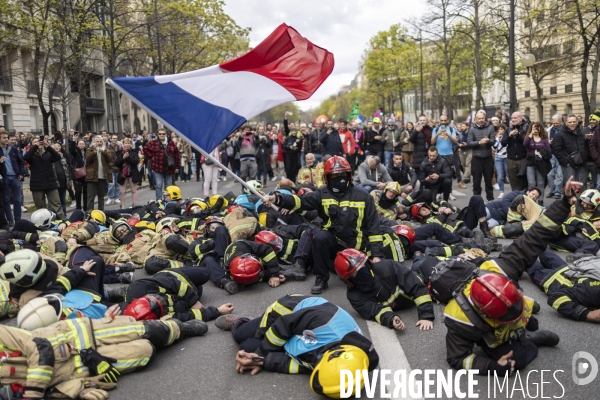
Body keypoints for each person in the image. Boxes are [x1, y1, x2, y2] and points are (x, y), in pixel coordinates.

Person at [442, 177, 580, 376]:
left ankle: (526, 323)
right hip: (482, 329)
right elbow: (457, 358)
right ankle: (532, 339)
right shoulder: (459, 320)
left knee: (531, 321)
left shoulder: (499, 267)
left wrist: (564, 202)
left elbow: (537, 234)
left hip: (498, 300)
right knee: (517, 362)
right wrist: (492, 367)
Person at [263, 156, 384, 295]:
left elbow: (374, 228)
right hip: (333, 243)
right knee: (319, 236)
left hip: (356, 248)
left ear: (349, 175)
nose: (339, 178)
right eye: (335, 175)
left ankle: (344, 267)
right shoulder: (322, 194)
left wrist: (376, 255)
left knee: (367, 283)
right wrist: (277, 198)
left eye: (342, 174)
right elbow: (300, 202)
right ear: (327, 177)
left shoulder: (364, 196)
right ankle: (321, 278)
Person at [216, 295, 379, 398]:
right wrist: (261, 352)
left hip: (304, 335)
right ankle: (240, 322)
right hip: (288, 313)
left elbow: (300, 366)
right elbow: (284, 325)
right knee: (242, 336)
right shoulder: (324, 321)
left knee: (246, 347)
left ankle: (254, 330)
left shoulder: (335, 363)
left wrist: (261, 360)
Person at [334, 248, 434, 331]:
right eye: (355, 272)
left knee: (425, 269)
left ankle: (419, 256)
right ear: (349, 280)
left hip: (420, 280)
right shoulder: (354, 296)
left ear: (368, 263)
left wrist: (426, 316)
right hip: (403, 302)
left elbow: (415, 285)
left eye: (362, 265)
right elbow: (374, 311)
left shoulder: (387, 267)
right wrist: (391, 319)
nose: (362, 271)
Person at [23, 135, 66, 220]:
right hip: (37, 184)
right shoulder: (31, 155)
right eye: (35, 142)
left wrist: (48, 146)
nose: (38, 143)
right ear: (32, 145)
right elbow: (26, 158)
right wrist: (35, 146)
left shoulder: (47, 153)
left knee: (56, 204)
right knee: (41, 208)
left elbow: (57, 157)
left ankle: (62, 221)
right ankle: (44, 225)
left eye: (39, 141)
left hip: (51, 183)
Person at [143, 128, 181, 200]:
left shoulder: (171, 143)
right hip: (158, 167)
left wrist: (177, 167)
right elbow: (145, 148)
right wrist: (151, 156)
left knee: (168, 186)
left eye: (163, 134)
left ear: (166, 134)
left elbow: (176, 155)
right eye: (160, 134)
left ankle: (167, 201)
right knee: (159, 185)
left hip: (169, 168)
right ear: (158, 134)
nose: (161, 135)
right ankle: (159, 201)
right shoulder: (154, 143)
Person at [467, 111, 496, 201]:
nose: (481, 120)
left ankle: (490, 199)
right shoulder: (472, 129)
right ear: (476, 119)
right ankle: (477, 200)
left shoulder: (490, 127)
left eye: (482, 118)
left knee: (489, 181)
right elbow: (469, 143)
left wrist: (488, 141)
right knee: (476, 182)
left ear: (485, 118)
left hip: (488, 158)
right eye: (479, 118)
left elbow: (493, 141)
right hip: (476, 158)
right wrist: (479, 142)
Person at [552, 114, 586, 186]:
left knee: (579, 185)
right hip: (568, 164)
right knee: (570, 186)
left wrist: (583, 159)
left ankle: (576, 197)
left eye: (574, 121)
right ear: (566, 123)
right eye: (570, 122)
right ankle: (569, 197)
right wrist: (565, 162)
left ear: (577, 122)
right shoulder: (559, 134)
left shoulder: (580, 133)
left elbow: (583, 146)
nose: (572, 124)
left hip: (580, 163)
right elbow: (556, 150)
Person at [0, 131, 25, 227]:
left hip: (15, 176)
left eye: (7, 137)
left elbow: (21, 161)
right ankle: (10, 220)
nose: (6, 139)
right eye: (4, 138)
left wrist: (21, 173)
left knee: (17, 200)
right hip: (4, 177)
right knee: (6, 200)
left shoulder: (13, 149)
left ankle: (18, 219)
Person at [523, 122, 552, 204]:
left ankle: (540, 200)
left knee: (540, 183)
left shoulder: (544, 140)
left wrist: (541, 153)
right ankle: (531, 200)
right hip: (530, 163)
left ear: (540, 129)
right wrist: (531, 134)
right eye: (534, 127)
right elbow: (524, 144)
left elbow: (549, 151)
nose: (536, 129)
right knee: (531, 183)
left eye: (537, 128)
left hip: (541, 163)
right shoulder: (529, 138)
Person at [85, 135, 114, 211]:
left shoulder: (106, 151)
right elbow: (88, 160)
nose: (99, 143)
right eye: (97, 141)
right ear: (94, 142)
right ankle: (89, 215)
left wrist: (104, 151)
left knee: (101, 197)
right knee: (90, 197)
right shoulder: (89, 150)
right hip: (92, 177)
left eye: (101, 141)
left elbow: (110, 160)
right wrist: (94, 151)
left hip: (102, 177)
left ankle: (101, 213)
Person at [502, 112, 529, 190]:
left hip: (523, 158)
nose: (513, 120)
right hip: (511, 159)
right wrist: (509, 136)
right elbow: (503, 143)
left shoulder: (526, 128)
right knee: (514, 183)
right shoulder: (508, 129)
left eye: (515, 118)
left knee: (524, 182)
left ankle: (525, 200)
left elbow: (526, 142)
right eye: (512, 118)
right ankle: (516, 200)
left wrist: (518, 135)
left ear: (521, 118)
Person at [115, 137, 141, 207]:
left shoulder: (134, 152)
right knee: (122, 192)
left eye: (128, 143)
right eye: (125, 143)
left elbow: (136, 162)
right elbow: (117, 163)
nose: (127, 145)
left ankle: (134, 205)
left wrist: (128, 157)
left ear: (130, 144)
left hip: (132, 174)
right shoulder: (119, 153)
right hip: (123, 174)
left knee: (133, 190)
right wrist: (123, 158)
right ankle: (122, 205)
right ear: (123, 144)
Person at [51, 143, 71, 217]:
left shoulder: (62, 158)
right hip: (54, 184)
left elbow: (67, 168)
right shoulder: (50, 159)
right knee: (55, 202)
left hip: (63, 183)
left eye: (57, 149)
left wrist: (63, 158)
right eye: (53, 149)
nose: (56, 150)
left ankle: (64, 216)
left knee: (63, 202)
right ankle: (55, 217)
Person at [69, 138, 87, 211]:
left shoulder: (87, 152)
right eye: (80, 144)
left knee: (86, 192)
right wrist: (73, 140)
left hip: (86, 174)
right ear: (77, 145)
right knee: (78, 191)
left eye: (83, 144)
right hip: (77, 174)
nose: (81, 145)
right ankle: (78, 208)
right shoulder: (76, 152)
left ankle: (86, 208)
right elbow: (71, 150)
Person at [492, 124, 508, 198]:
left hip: (507, 158)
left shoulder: (507, 137)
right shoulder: (495, 138)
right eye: (499, 129)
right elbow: (494, 148)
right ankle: (501, 191)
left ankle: (514, 191)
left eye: (502, 129)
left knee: (509, 175)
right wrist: (497, 138)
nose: (500, 131)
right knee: (500, 176)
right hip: (498, 158)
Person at [106, 134, 121, 205]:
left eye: (116, 138)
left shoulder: (119, 147)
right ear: (111, 139)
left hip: (118, 168)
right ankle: (110, 198)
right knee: (111, 184)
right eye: (114, 138)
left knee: (117, 184)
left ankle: (116, 198)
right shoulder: (108, 147)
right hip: (110, 168)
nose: (115, 140)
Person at [457, 121, 472, 185]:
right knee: (463, 164)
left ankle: (466, 178)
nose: (462, 128)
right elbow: (457, 141)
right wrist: (459, 144)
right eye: (462, 126)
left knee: (468, 164)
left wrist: (467, 144)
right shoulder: (460, 134)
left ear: (467, 127)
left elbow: (472, 141)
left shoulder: (470, 134)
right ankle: (468, 177)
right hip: (462, 151)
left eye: (463, 126)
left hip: (469, 150)